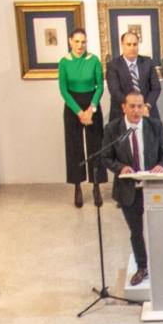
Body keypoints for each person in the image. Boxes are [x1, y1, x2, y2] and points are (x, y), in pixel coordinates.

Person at [104, 89, 163, 285]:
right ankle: (142, 267)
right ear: (123, 107)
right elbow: (106, 157)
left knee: (157, 229)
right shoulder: (113, 129)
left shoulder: (155, 126)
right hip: (128, 190)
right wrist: (120, 167)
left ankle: (161, 265)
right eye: (132, 106)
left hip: (153, 188)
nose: (136, 111)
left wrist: (162, 165)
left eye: (140, 106)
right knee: (136, 231)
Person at [57, 26, 105, 207]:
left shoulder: (93, 60)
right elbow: (63, 89)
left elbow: (99, 86)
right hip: (72, 106)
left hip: (91, 103)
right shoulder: (64, 62)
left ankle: (96, 186)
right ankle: (77, 186)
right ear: (70, 41)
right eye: (77, 41)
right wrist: (79, 112)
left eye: (83, 42)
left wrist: (90, 109)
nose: (80, 45)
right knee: (74, 146)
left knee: (95, 145)